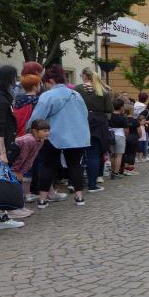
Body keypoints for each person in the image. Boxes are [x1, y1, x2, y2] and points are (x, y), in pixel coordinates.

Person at [28, 66, 90, 209]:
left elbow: (37, 117)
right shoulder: (76, 94)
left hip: (53, 135)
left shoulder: (48, 95)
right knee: (75, 165)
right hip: (77, 136)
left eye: (45, 83)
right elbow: (85, 114)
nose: (45, 85)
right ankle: (79, 197)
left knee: (48, 166)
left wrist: (29, 129)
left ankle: (42, 199)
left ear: (51, 81)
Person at [0, 65, 22, 229]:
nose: (15, 80)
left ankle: (0, 217)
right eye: (14, 77)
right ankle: (0, 218)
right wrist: (2, 153)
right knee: (0, 182)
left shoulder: (0, 95)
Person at [8, 119, 51, 220]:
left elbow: (31, 157)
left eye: (48, 130)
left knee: (18, 185)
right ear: (35, 131)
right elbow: (22, 157)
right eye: (44, 131)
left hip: (18, 166)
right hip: (13, 163)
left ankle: (20, 206)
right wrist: (17, 171)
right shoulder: (29, 140)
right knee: (13, 186)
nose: (48, 133)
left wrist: (23, 171)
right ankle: (13, 209)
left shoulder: (40, 141)